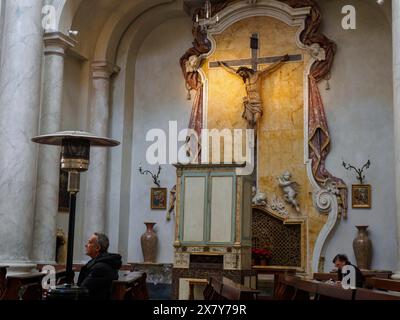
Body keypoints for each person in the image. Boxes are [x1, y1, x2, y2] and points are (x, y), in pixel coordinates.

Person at [217, 54, 289, 129]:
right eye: (241, 74)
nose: (242, 75)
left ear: (245, 70)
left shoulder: (257, 75)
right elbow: (231, 71)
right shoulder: (245, 79)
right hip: (248, 102)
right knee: (250, 120)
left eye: (242, 73)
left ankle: (254, 139)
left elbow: (269, 68)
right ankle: (250, 139)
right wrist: (222, 65)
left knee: (255, 121)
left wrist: (281, 60)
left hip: (257, 102)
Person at [77, 232, 122, 299]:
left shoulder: (100, 268)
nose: (86, 245)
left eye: (90, 242)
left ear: (97, 248)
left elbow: (83, 291)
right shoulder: (105, 262)